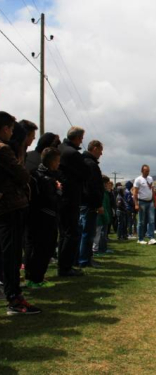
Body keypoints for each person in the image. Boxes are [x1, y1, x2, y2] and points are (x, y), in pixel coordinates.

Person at [0, 111, 41, 314]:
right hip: (10, 208)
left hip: (9, 208)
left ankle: (13, 295)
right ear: (5, 128)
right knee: (11, 255)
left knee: (10, 254)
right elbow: (23, 175)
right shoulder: (4, 151)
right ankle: (14, 299)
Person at [24, 147, 61, 288]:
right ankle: (36, 278)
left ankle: (32, 276)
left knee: (34, 246)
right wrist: (58, 191)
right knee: (44, 248)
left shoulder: (36, 174)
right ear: (51, 162)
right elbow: (50, 200)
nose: (59, 164)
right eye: (57, 161)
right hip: (46, 217)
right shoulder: (47, 179)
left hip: (35, 216)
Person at [58, 126, 89, 277]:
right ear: (76, 138)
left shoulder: (59, 149)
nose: (82, 141)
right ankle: (65, 266)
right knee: (71, 232)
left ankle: (63, 265)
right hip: (70, 196)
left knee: (64, 233)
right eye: (81, 138)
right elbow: (85, 173)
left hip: (61, 196)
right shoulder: (72, 153)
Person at [78, 140, 104, 268]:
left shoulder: (85, 162)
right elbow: (92, 187)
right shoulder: (90, 164)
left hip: (85, 202)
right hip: (89, 204)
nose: (101, 153)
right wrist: (98, 204)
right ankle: (84, 259)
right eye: (100, 150)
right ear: (94, 149)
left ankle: (85, 257)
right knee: (87, 233)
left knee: (86, 232)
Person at [133, 165, 156, 245]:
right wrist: (136, 204)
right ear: (142, 171)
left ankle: (151, 238)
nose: (148, 172)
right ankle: (140, 239)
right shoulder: (138, 180)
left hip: (150, 201)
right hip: (142, 202)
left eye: (148, 171)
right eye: (146, 171)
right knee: (141, 221)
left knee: (151, 220)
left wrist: (154, 202)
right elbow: (135, 193)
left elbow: (152, 190)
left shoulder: (150, 178)